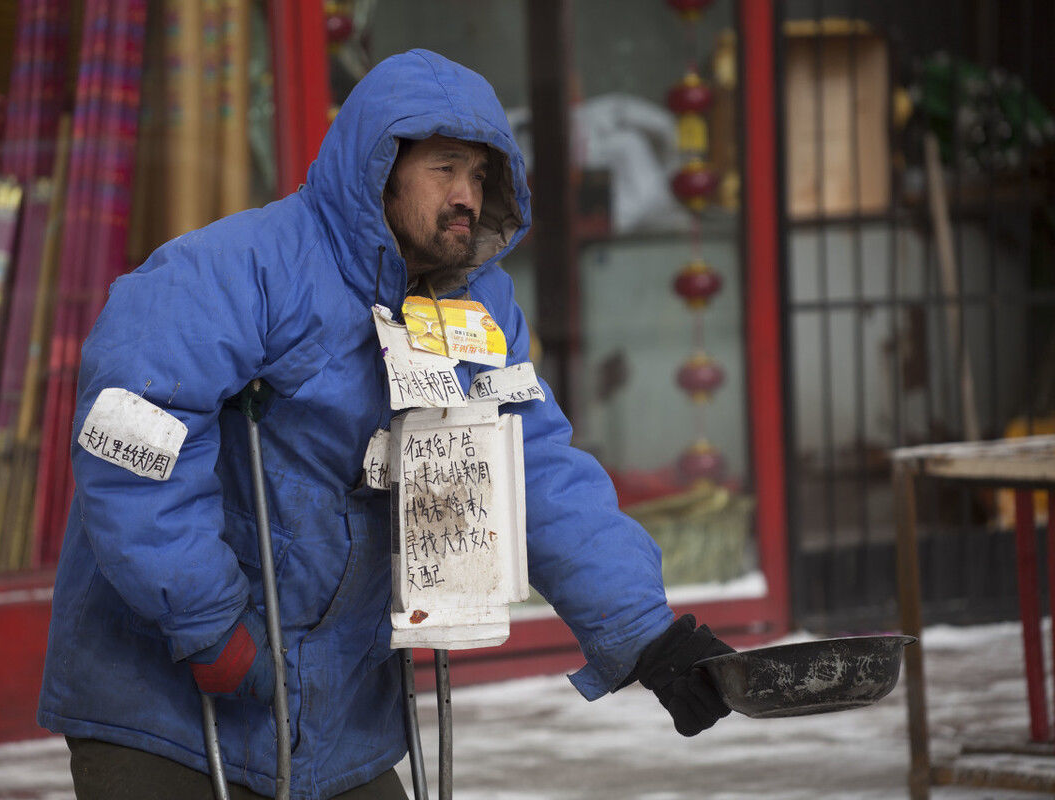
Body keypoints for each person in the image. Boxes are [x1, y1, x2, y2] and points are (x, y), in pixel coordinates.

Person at [38, 49, 733, 800]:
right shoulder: (239, 268)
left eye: (480, 175)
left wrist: (647, 634)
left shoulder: (479, 309)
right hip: (167, 707)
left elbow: (534, 467)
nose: (466, 195)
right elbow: (135, 438)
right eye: (445, 170)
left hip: (338, 720)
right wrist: (207, 625)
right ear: (381, 167)